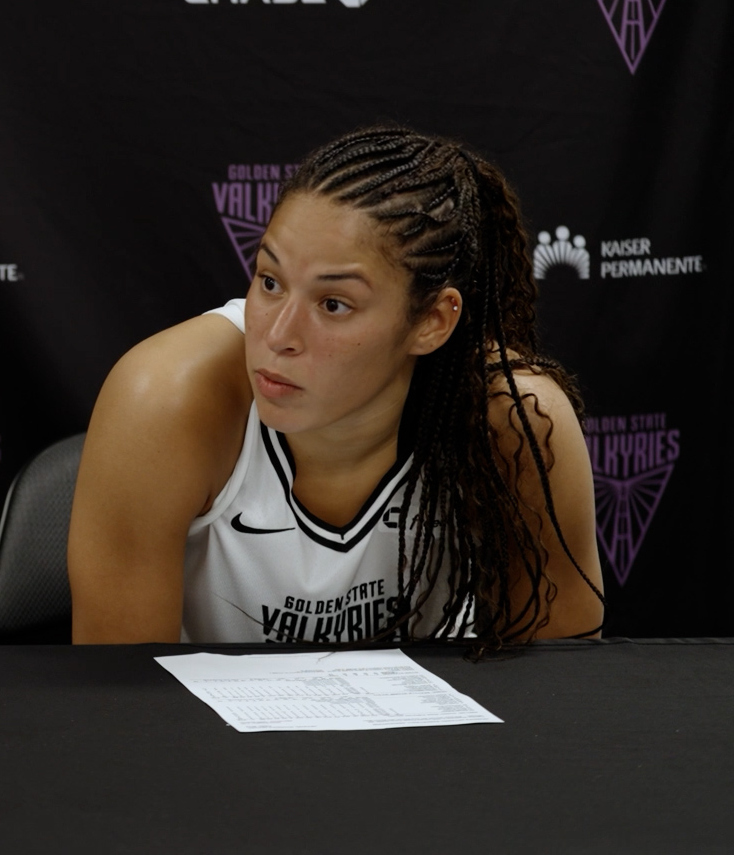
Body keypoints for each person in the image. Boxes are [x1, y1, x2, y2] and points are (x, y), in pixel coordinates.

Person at [68, 127, 604, 648]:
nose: (277, 336)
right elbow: (123, 710)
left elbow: (558, 692)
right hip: (204, 737)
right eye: (270, 282)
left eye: (333, 304)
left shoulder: (517, 419)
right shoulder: (162, 399)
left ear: (432, 322)